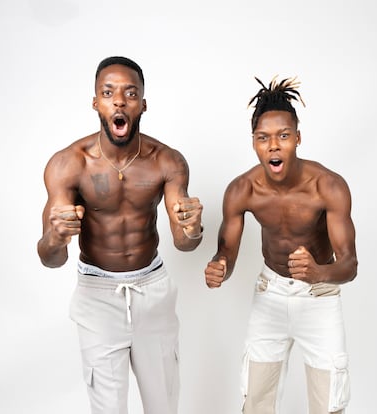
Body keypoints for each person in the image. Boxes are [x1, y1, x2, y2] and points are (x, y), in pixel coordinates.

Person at [37, 56, 203, 414]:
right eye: (108, 92)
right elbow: (50, 257)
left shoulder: (167, 161)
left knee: (164, 405)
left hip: (153, 292)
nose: (118, 100)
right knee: (108, 408)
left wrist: (193, 227)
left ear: (142, 104)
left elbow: (184, 243)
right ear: (95, 102)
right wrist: (56, 235)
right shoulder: (69, 164)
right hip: (97, 296)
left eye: (130, 93)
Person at [204, 76, 357, 414]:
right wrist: (219, 268)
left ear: (298, 138)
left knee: (329, 405)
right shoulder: (242, 189)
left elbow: (349, 264)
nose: (273, 146)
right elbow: (225, 252)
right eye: (264, 138)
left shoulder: (328, 187)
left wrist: (319, 272)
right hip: (269, 296)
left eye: (283, 136)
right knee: (256, 403)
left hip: (319, 298)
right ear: (254, 143)